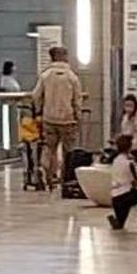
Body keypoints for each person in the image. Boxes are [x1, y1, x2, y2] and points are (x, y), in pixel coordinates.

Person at [32, 44, 83, 191]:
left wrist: (40, 110)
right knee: (69, 151)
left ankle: (46, 173)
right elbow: (77, 99)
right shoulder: (72, 77)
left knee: (49, 148)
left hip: (49, 118)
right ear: (64, 57)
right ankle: (65, 178)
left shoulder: (45, 76)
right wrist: (77, 115)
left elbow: (36, 96)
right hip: (68, 119)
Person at [109, 135, 137, 233]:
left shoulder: (115, 160)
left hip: (115, 197)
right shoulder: (129, 162)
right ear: (129, 147)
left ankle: (117, 220)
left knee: (121, 223)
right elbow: (136, 181)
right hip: (125, 196)